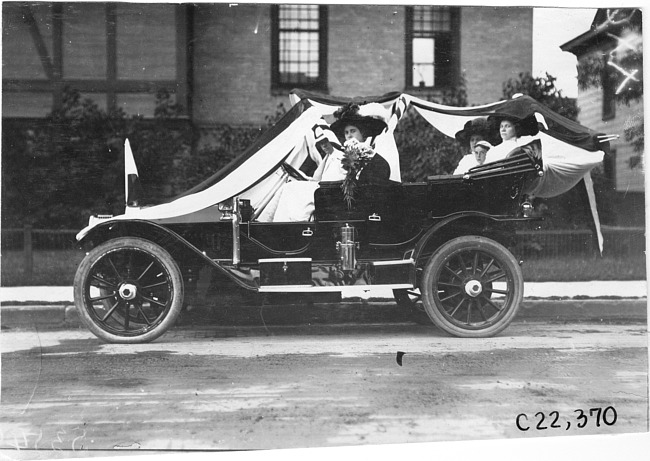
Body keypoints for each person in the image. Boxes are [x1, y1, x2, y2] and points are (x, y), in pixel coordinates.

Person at [271, 102, 390, 221]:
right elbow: (320, 178)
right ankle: (271, 225)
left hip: (338, 196)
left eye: (353, 131)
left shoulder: (369, 153)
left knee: (292, 190)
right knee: (288, 188)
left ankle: (280, 226)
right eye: (346, 132)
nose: (349, 136)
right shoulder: (341, 152)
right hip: (327, 190)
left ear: (362, 133)